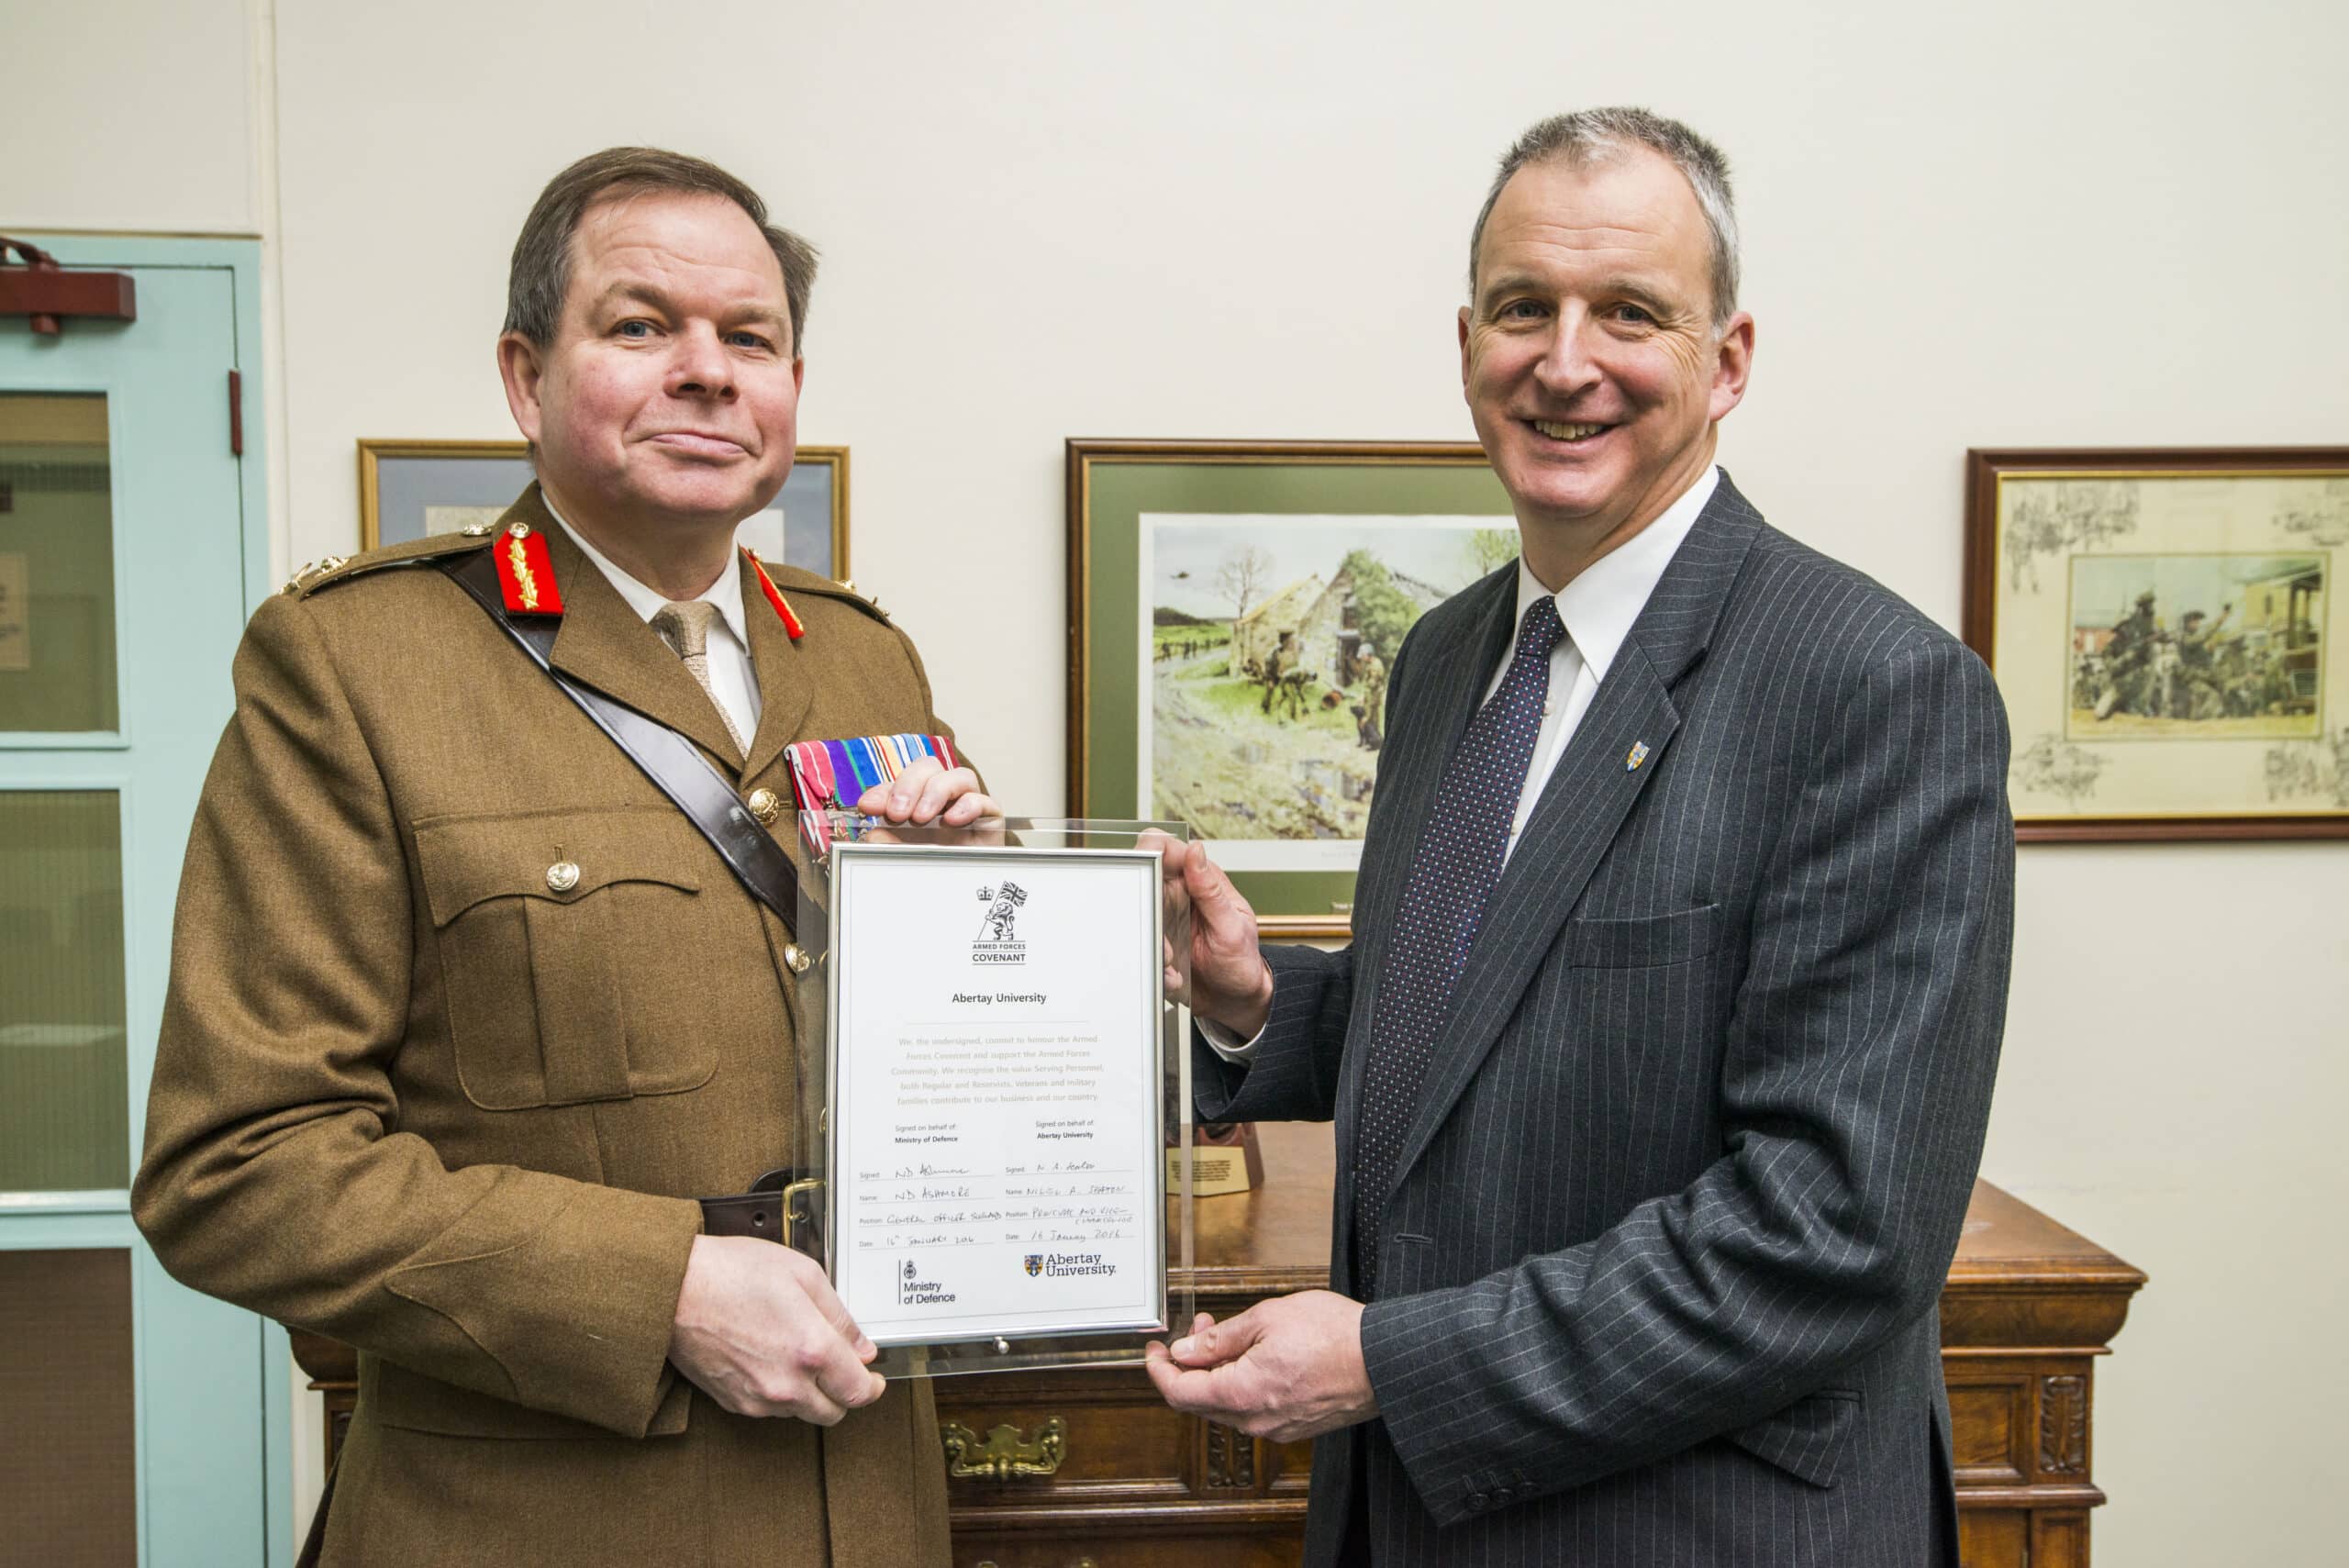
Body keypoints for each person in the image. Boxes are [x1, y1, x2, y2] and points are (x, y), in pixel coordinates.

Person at [1146, 107, 2013, 1567]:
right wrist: (1258, 1002)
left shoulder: (1877, 690)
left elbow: (1834, 1228)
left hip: (1694, 1525)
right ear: (1467, 339)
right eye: (1522, 309)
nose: (1564, 362)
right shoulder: (1444, 659)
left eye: (1629, 313)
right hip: (1413, 1517)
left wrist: (1393, 1365)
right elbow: (1485, 1015)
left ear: (1726, 360)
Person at [132, 148, 985, 1567]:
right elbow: (239, 1168)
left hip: (867, 1496)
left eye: (752, 339)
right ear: (526, 379)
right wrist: (662, 1293)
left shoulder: (862, 659)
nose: (710, 371)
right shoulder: (359, 667)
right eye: (643, 324)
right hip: (542, 1514)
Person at [1352, 642, 1386, 750]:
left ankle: (1376, 743)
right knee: (1368, 719)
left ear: (1368, 654)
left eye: (1363, 655)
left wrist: (1364, 696)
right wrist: (1363, 696)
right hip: (1369, 696)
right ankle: (1370, 741)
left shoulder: (1376, 665)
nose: (1362, 658)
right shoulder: (1371, 664)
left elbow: (1372, 683)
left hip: (1373, 697)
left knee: (1371, 720)